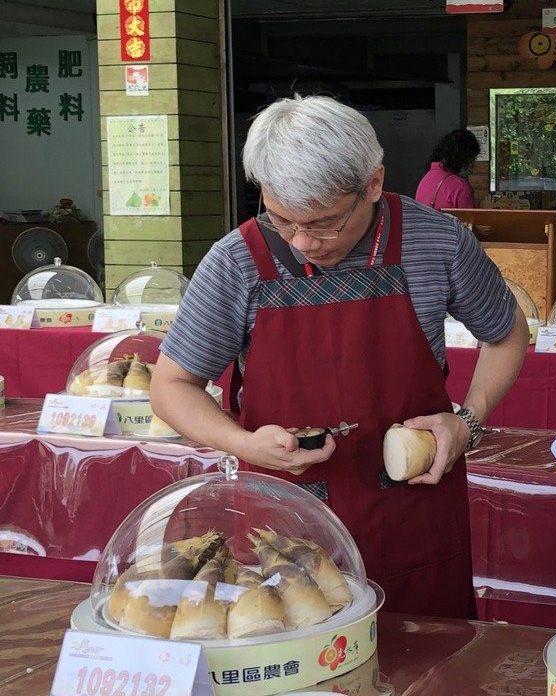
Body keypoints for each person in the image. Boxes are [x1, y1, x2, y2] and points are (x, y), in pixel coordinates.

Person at [152, 95, 530, 619]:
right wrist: (244, 444)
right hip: (284, 527)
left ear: (373, 183)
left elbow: (507, 333)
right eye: (283, 221)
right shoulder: (237, 261)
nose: (304, 242)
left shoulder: (438, 242)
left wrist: (468, 421)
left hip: (413, 513)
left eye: (325, 222)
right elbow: (171, 386)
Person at [415, 128, 480, 211]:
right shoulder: (460, 186)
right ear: (465, 158)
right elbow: (469, 222)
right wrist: (486, 210)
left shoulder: (425, 179)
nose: (472, 166)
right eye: (472, 159)